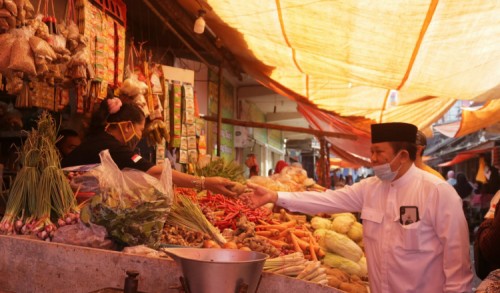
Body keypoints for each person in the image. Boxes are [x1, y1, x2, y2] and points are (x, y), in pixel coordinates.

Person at [244, 122, 472, 293]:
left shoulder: (437, 192)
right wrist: (275, 195)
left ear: (403, 155)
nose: (372, 158)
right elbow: (326, 201)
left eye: (379, 152)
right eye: (371, 151)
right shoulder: (370, 189)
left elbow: (457, 260)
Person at [62, 98, 237, 197]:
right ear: (127, 126)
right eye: (139, 130)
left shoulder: (98, 138)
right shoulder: (111, 146)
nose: (139, 136)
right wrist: (204, 182)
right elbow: (155, 171)